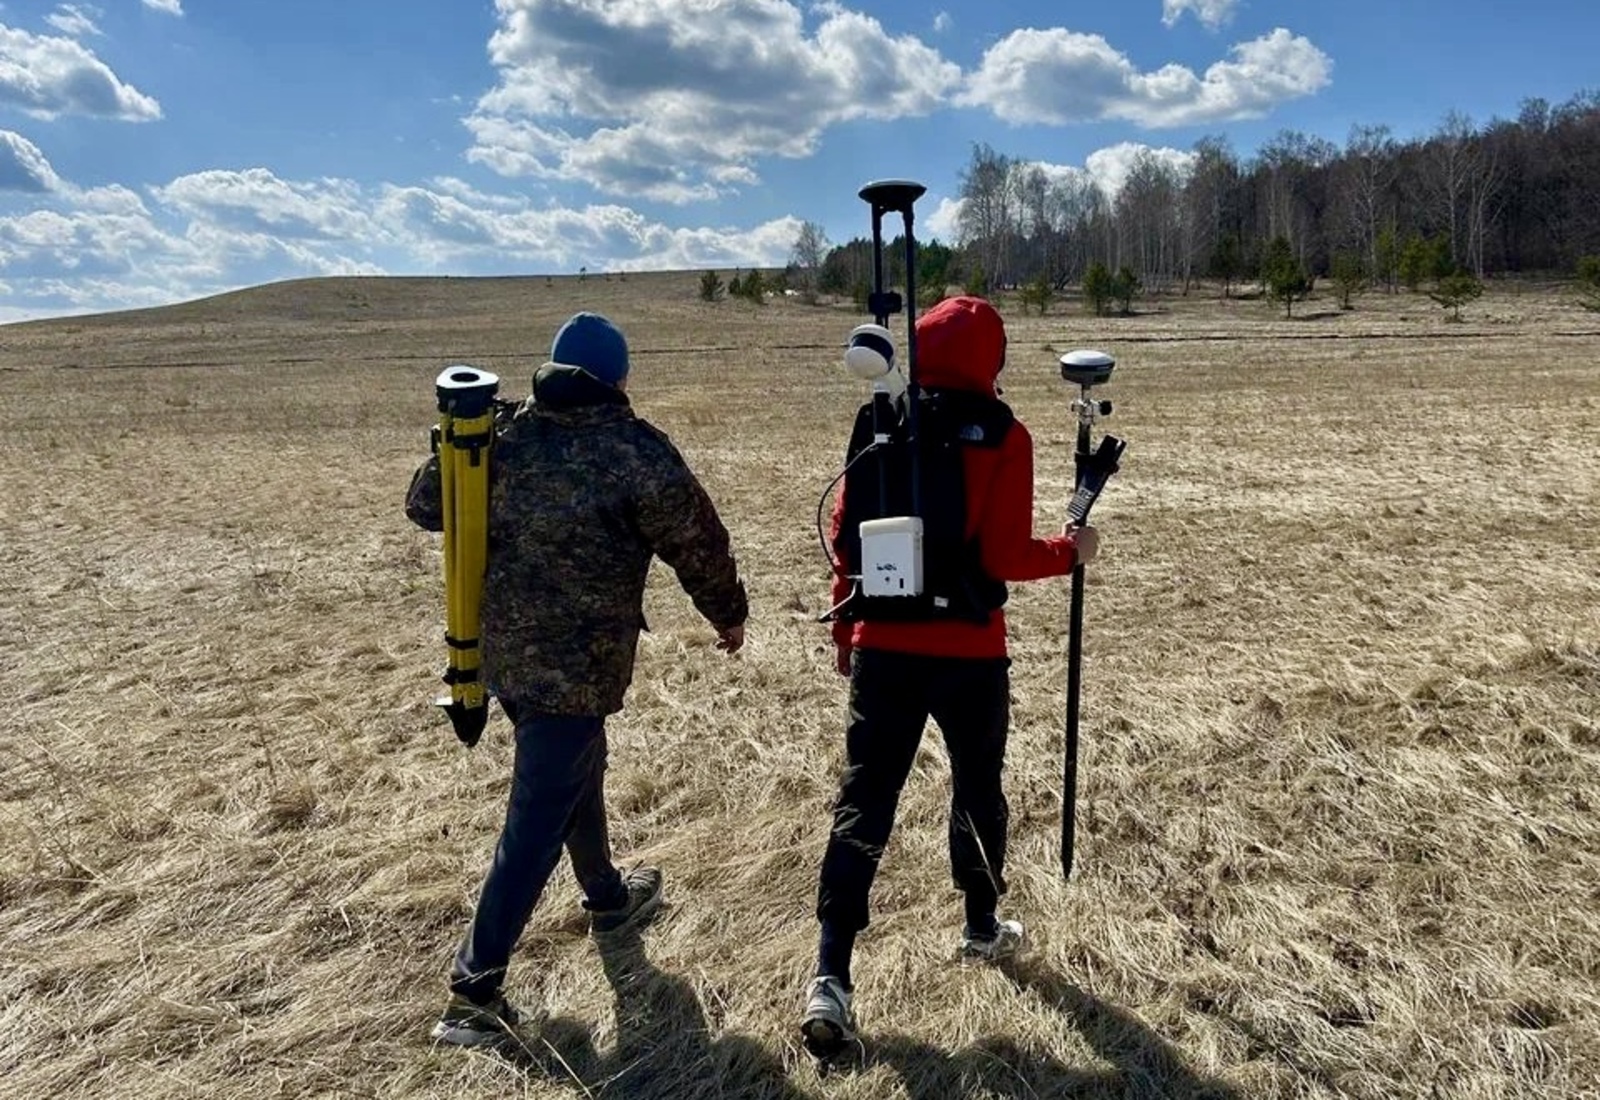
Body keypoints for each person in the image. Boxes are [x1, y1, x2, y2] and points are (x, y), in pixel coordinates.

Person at [405, 311, 749, 1048]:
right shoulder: (633, 449)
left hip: (499, 662)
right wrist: (729, 613)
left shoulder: (501, 435)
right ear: (618, 379)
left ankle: (607, 897)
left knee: (574, 776)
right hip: (577, 668)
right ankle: (474, 991)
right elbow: (697, 540)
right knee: (534, 819)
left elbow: (426, 505)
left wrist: (456, 442)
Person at [801, 295, 1101, 1058]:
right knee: (977, 788)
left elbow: (845, 535)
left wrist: (846, 624)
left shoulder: (880, 416)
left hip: (884, 646)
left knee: (864, 800)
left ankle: (830, 974)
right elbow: (1002, 557)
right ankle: (979, 926)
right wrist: (1070, 551)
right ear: (991, 357)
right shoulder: (1005, 434)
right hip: (970, 652)